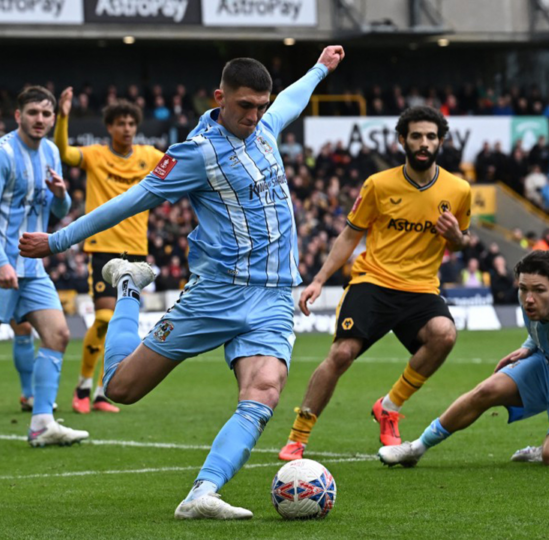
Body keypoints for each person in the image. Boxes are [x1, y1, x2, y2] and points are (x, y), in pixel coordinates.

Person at [19, 47, 345, 519]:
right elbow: (130, 201)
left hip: (274, 295)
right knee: (121, 389)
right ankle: (129, 286)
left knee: (266, 388)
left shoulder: (267, 129)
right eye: (244, 107)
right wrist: (57, 240)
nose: (254, 116)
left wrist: (319, 69)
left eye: (260, 105)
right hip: (216, 295)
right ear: (219, 98)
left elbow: (291, 102)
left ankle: (201, 493)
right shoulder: (196, 153)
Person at [277, 106, 472, 461]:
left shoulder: (459, 190)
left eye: (431, 136)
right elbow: (349, 236)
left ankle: (389, 406)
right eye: (416, 136)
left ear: (441, 141)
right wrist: (319, 279)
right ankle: (297, 437)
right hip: (374, 282)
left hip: (421, 289)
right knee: (342, 353)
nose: (424, 143)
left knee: (444, 334)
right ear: (403, 140)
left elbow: (461, 242)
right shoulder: (379, 185)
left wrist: (457, 236)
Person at [378, 250, 549, 469]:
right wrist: (528, 347)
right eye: (523, 288)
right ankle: (416, 448)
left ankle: (546, 449)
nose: (529, 298)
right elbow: (545, 328)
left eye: (538, 290)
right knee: (487, 389)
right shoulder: (531, 301)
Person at [55, 89, 165, 415]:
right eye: (120, 123)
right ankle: (83, 386)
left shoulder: (150, 155)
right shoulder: (95, 156)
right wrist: (63, 116)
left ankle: (103, 392)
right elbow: (63, 152)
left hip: (137, 252)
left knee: (121, 322)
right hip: (103, 250)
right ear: (110, 127)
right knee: (104, 317)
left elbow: (184, 162)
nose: (127, 128)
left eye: (131, 122)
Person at [0, 86, 88, 446]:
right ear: (18, 116)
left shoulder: (51, 151)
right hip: (3, 265)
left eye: (46, 114)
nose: (40, 119)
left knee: (58, 334)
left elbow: (57, 211)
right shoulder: (4, 153)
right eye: (33, 112)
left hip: (31, 267)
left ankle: (41, 424)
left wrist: (62, 194)